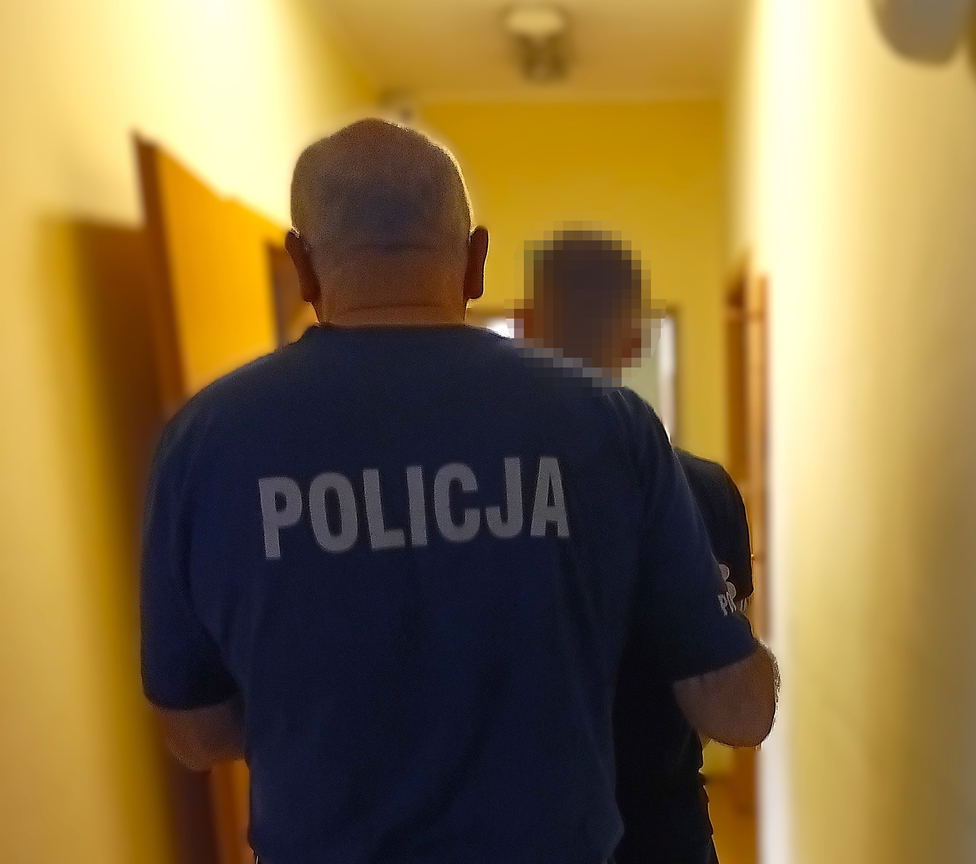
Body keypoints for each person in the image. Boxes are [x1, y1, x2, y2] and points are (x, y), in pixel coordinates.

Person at [140, 119, 778, 864]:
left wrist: (328, 711)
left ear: (302, 266)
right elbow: (737, 710)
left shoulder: (205, 444)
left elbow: (195, 734)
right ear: (476, 260)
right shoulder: (608, 427)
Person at [516, 229, 758, 864]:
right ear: (635, 339)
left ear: (524, 332)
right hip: (664, 830)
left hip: (526, 832)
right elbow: (730, 701)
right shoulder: (702, 490)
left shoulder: (481, 495)